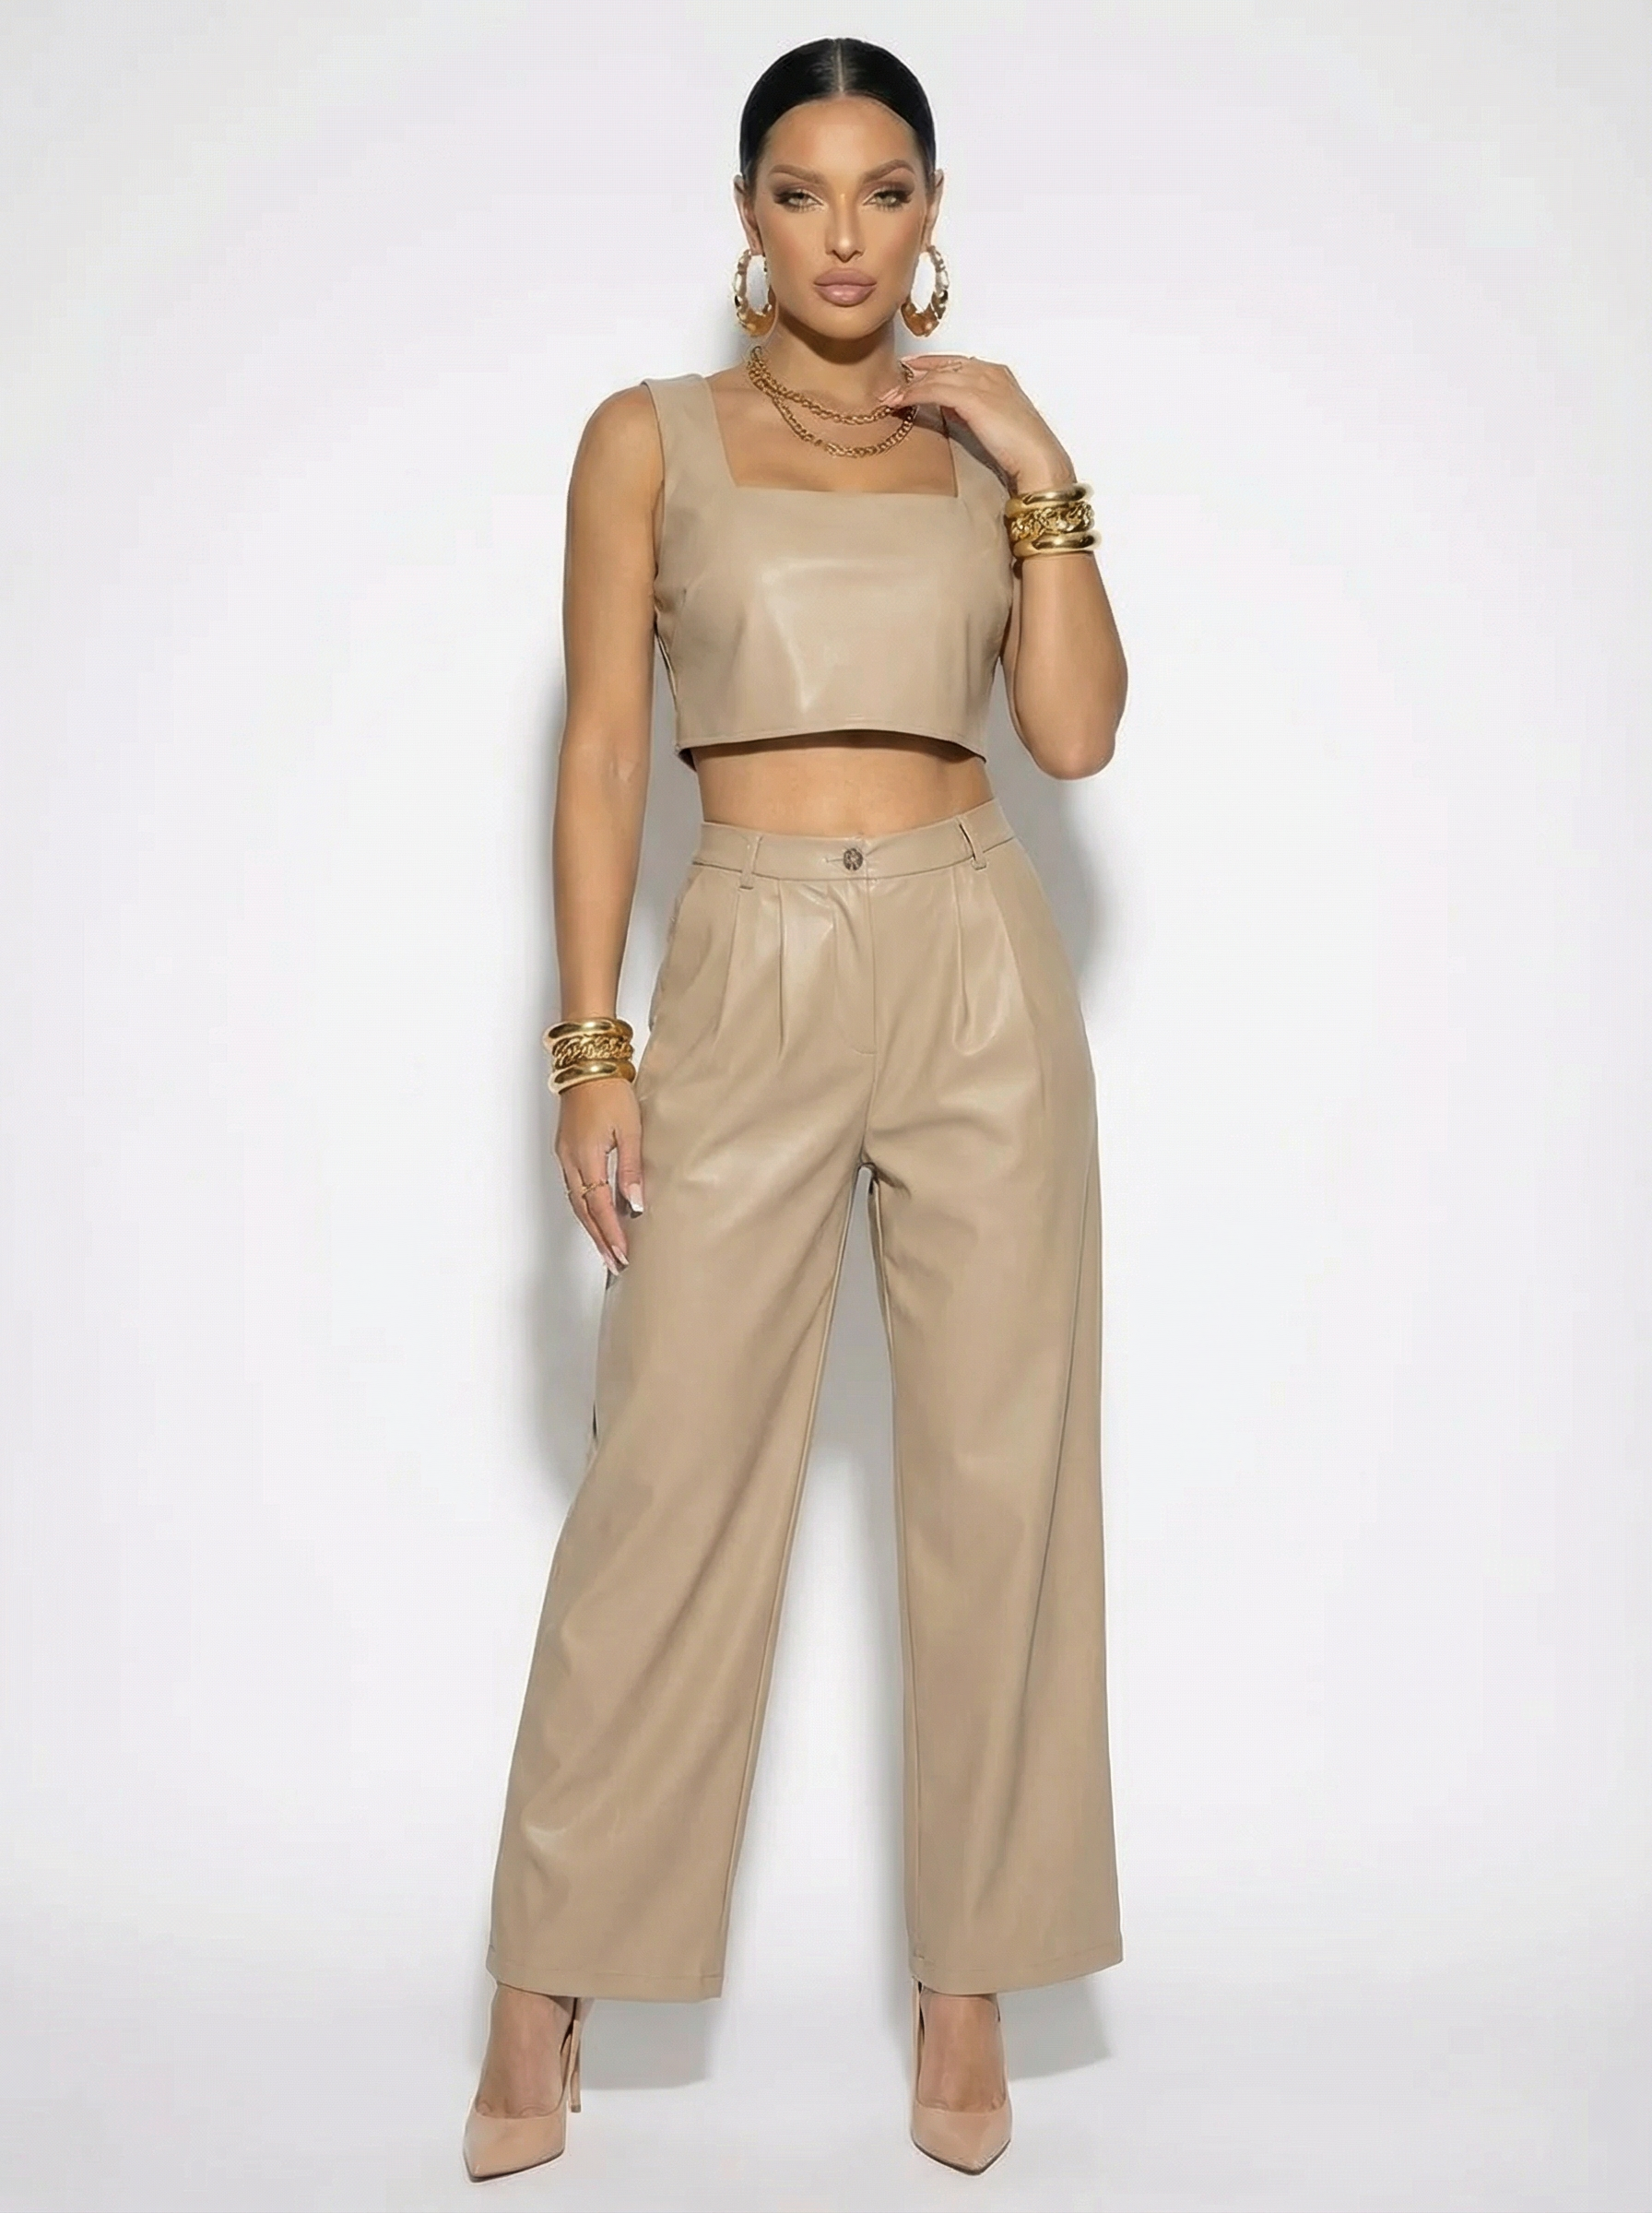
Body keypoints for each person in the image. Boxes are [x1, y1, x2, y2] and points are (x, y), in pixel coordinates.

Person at [463, 36, 1128, 2182]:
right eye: (798, 191)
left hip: (973, 951)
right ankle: (544, 1981)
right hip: (744, 952)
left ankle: (971, 1988)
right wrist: (589, 1049)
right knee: (664, 1476)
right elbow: (596, 751)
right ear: (744, 215)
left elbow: (1072, 734)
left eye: (883, 190)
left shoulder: (981, 447)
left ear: (930, 215)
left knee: (999, 1486)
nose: (843, 235)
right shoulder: (646, 439)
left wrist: (1036, 460)